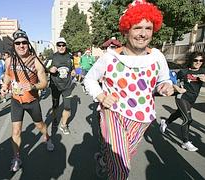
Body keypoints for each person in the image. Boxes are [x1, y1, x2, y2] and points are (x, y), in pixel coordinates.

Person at [84, 1, 174, 179]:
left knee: (121, 157)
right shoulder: (110, 57)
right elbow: (89, 79)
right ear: (126, 30)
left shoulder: (157, 56)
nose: (143, 34)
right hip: (113, 113)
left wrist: (165, 86)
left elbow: (163, 80)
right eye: (137, 27)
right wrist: (101, 95)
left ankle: (103, 159)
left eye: (148, 28)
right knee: (121, 168)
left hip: (142, 118)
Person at [0, 29, 54, 172]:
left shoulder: (36, 61)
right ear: (14, 45)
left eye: (24, 42)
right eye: (18, 43)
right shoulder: (9, 60)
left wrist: (33, 86)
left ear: (28, 44)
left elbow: (44, 83)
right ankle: (17, 157)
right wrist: (5, 86)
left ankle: (47, 137)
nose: (21, 45)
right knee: (16, 131)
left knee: (40, 126)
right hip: (16, 101)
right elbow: (7, 75)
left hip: (32, 102)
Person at [160, 52, 205, 151]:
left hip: (192, 100)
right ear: (191, 60)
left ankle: (166, 122)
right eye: (196, 60)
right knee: (188, 119)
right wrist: (178, 89)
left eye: (201, 60)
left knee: (178, 113)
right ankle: (185, 142)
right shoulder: (184, 72)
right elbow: (172, 81)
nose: (198, 62)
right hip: (182, 97)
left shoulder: (203, 71)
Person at [47, 37, 75, 135]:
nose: (61, 47)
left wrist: (74, 71)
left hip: (67, 85)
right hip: (55, 85)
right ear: (57, 46)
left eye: (63, 45)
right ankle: (55, 119)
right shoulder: (52, 56)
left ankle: (64, 125)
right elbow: (45, 67)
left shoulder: (70, 57)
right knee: (55, 105)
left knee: (67, 107)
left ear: (65, 46)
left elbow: (74, 68)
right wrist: (50, 69)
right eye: (59, 45)